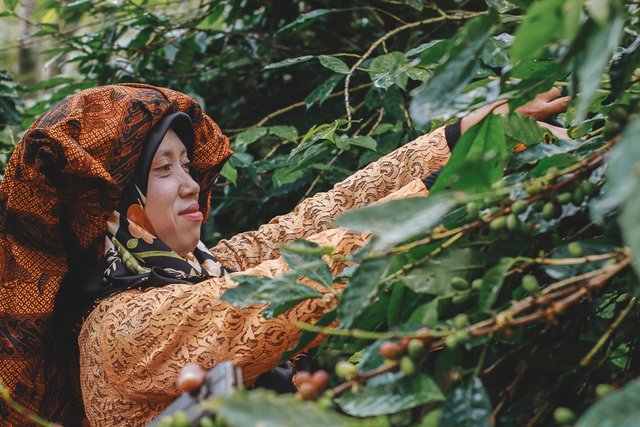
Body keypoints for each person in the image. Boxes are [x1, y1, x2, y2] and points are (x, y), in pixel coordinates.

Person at [0, 83, 569, 426]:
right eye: (164, 169)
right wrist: (451, 185)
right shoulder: (121, 326)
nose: (192, 181)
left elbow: (314, 222)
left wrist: (454, 140)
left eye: (188, 164)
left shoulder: (202, 271)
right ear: (112, 212)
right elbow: (297, 279)